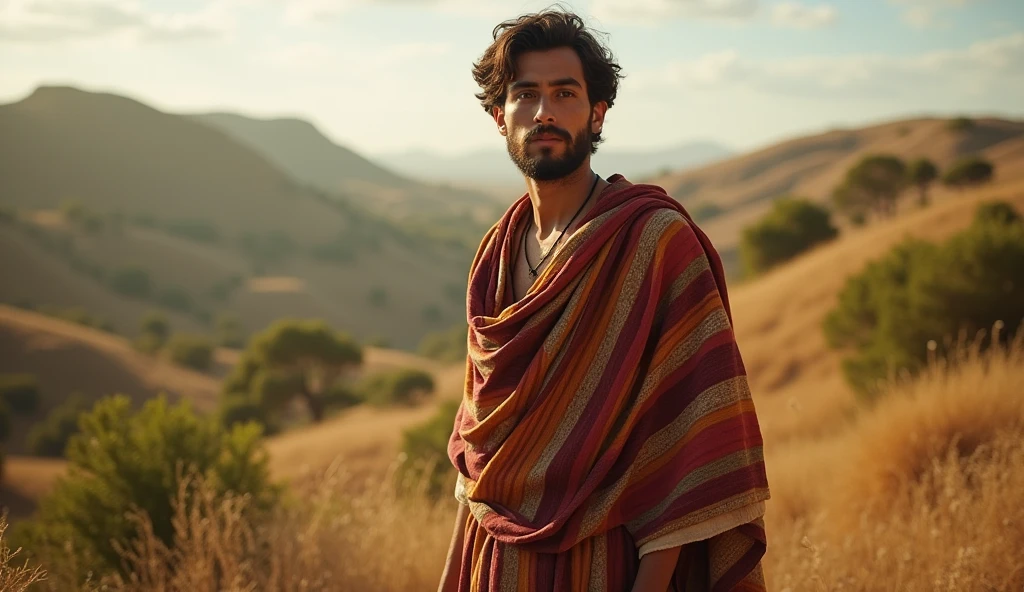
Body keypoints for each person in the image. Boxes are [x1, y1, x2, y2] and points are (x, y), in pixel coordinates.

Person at [438, 10, 770, 592]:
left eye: (565, 93)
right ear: (499, 116)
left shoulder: (654, 240)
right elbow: (479, 450)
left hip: (607, 562)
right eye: (526, 95)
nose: (544, 112)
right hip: (496, 562)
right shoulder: (493, 255)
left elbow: (688, 437)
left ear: (597, 113)